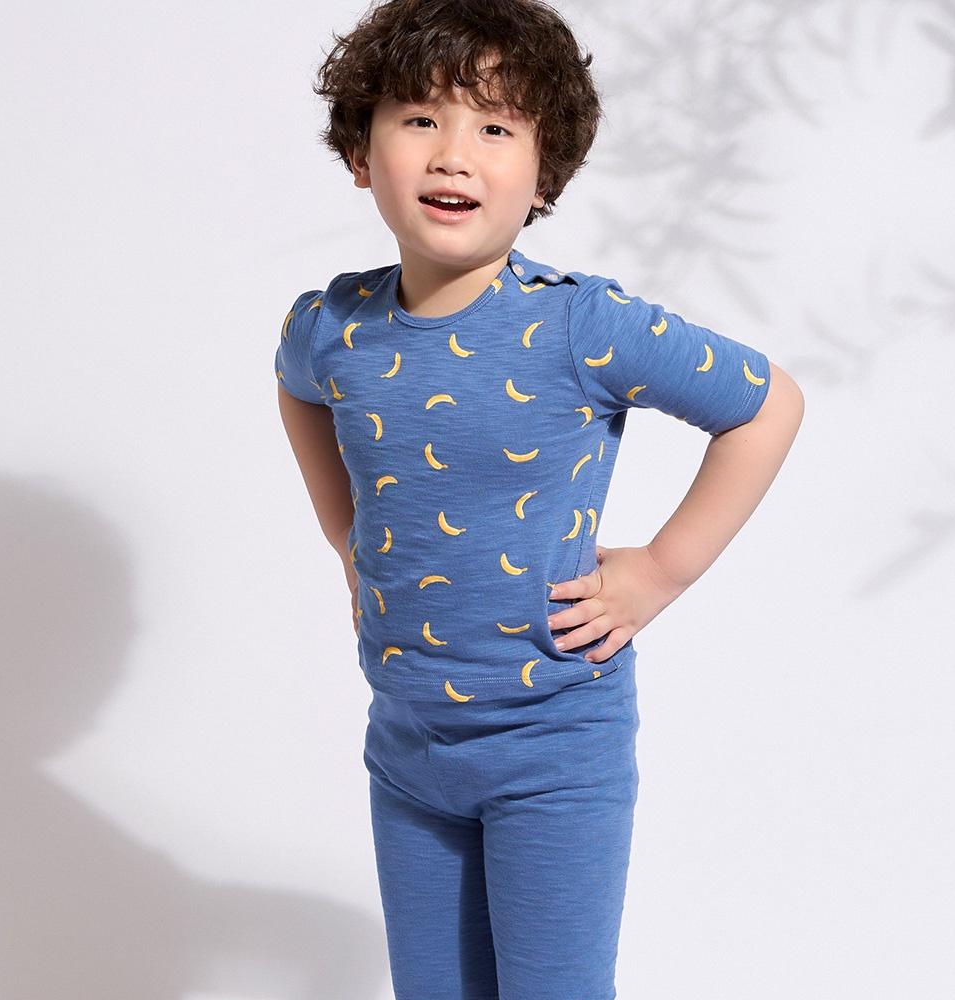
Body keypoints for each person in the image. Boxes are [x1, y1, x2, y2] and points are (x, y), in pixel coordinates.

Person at [275, 1, 804, 996]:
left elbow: (766, 403)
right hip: (408, 747)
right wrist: (346, 540)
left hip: (554, 750)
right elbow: (298, 389)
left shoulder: (581, 325)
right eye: (419, 119)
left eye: (495, 127)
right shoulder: (331, 325)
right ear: (359, 152)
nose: (453, 154)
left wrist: (660, 570)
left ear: (545, 172)